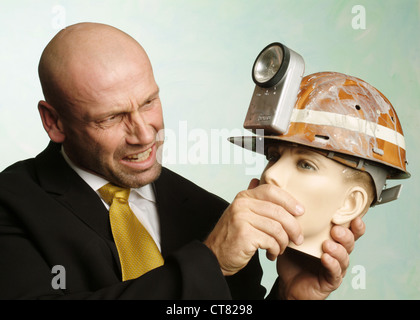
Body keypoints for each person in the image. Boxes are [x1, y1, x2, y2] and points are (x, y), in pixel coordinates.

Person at [0, 22, 363, 300]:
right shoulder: (12, 204)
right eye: (111, 118)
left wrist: (289, 296)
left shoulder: (214, 216)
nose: (144, 134)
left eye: (148, 102)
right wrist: (210, 263)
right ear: (55, 121)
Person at [230, 72, 410, 261]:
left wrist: (285, 292)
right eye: (274, 156)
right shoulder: (234, 253)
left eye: (306, 165)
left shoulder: (241, 269)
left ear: (350, 204)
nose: (271, 173)